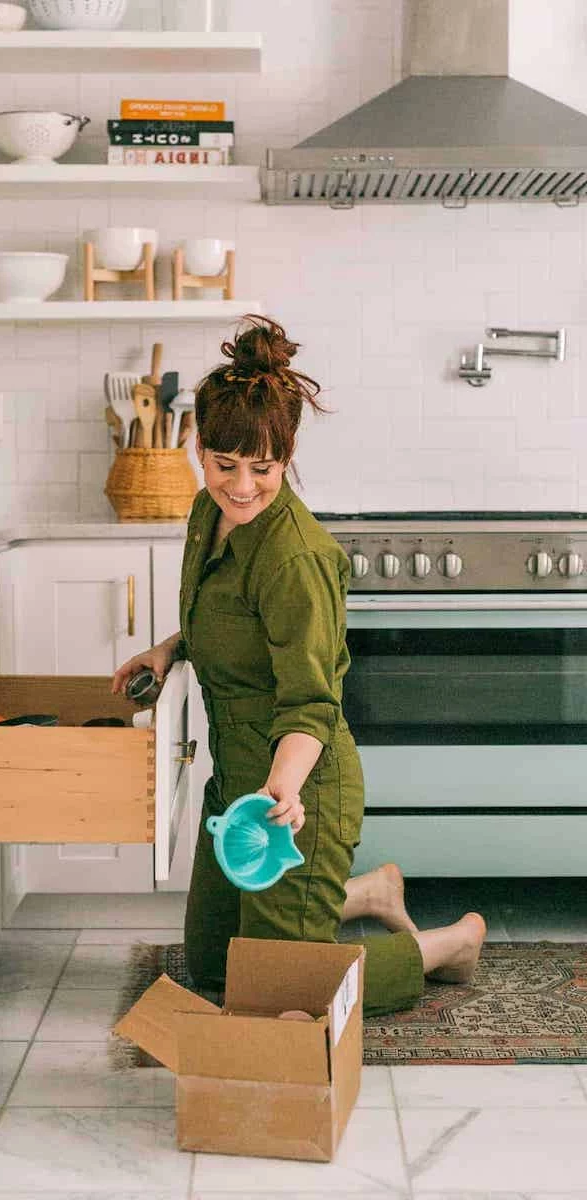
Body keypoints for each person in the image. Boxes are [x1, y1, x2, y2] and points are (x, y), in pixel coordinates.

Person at [112, 314, 486, 1016]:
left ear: (287, 456)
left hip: (295, 791)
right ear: (199, 448)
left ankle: (447, 944)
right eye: (225, 465)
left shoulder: (297, 558)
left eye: (264, 468)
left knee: (274, 987)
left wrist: (281, 791)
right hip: (237, 779)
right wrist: (170, 648)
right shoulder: (205, 513)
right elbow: (222, 617)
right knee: (216, 968)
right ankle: (364, 893)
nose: (244, 487)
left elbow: (313, 703)